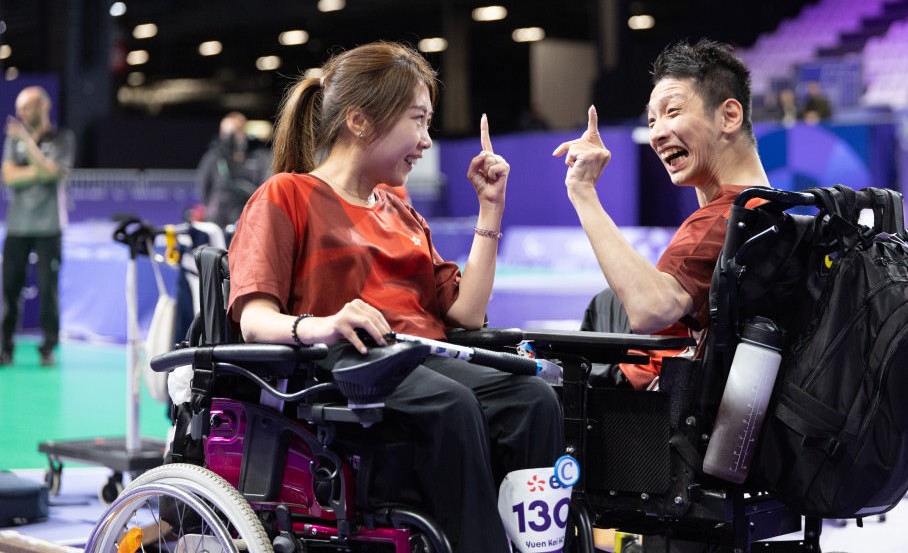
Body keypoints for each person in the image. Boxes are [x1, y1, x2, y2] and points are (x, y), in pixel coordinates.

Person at [226, 41, 563, 552]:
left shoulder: (400, 210)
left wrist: (490, 209)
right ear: (359, 121)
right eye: (418, 120)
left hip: (422, 356)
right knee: (451, 404)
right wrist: (320, 324)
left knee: (533, 398)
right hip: (346, 365)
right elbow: (254, 320)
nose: (427, 140)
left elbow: (466, 312)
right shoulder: (285, 196)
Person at [553, 39, 770, 390]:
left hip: (653, 404)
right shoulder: (769, 205)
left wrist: (582, 191)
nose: (657, 133)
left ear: (729, 115)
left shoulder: (723, 219)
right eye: (651, 120)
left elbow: (650, 308)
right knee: (609, 301)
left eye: (673, 112)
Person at [1, 86, 76, 366]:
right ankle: (4, 347)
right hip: (17, 226)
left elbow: (55, 174)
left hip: (49, 227)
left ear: (43, 107)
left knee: (48, 289)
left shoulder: (62, 138)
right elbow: (8, 176)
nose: (20, 113)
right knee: (10, 288)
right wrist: (41, 169)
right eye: (19, 107)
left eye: (27, 107)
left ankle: (48, 348)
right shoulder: (12, 141)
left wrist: (28, 147)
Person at [195, 111, 270, 229]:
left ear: (243, 132)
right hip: (217, 221)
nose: (227, 137)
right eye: (224, 132)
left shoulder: (257, 159)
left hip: (247, 220)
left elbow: (264, 188)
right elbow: (204, 188)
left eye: (233, 132)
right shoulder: (213, 158)